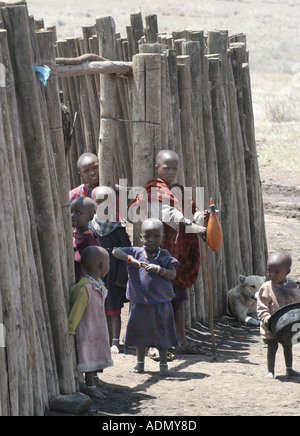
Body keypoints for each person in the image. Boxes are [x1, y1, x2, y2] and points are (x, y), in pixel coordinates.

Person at [129, 150, 208, 355]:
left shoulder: (180, 190)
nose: (171, 171)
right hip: (157, 255)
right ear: (158, 168)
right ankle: (153, 344)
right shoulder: (153, 189)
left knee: (177, 299)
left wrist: (204, 216)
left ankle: (181, 341)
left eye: (175, 168)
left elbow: (191, 211)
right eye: (167, 167)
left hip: (177, 255)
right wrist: (187, 221)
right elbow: (167, 213)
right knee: (156, 300)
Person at [112, 218, 179, 377]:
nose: (152, 240)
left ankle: (163, 364)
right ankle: (140, 363)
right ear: (141, 237)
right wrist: (130, 259)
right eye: (147, 236)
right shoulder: (135, 252)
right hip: (139, 302)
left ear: (162, 238)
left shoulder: (164, 254)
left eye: (156, 236)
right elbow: (115, 251)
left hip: (160, 303)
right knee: (139, 334)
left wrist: (159, 269)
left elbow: (172, 274)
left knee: (161, 333)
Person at [89, 186, 131, 354]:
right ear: (93, 203)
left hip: (113, 273)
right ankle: (102, 339)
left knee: (114, 307)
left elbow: (126, 250)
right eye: (99, 202)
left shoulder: (117, 227)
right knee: (97, 307)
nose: (103, 206)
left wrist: (122, 275)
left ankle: (115, 341)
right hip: (94, 274)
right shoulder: (90, 226)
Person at [68, 246, 113, 398]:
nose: (108, 266)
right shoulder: (84, 288)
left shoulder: (97, 284)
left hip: (96, 327)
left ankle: (92, 383)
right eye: (108, 263)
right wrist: (71, 329)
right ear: (102, 266)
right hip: (87, 329)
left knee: (95, 354)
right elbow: (76, 311)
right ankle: (90, 385)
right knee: (89, 355)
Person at [257, 250, 300, 379]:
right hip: (271, 324)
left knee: (288, 345)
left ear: (287, 271)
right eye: (269, 271)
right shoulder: (266, 287)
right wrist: (266, 317)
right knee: (272, 346)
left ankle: (289, 369)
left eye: (277, 272)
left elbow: (297, 304)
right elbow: (261, 306)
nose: (272, 274)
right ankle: (271, 371)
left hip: (289, 324)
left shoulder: (292, 286)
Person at [71, 197, 99, 282]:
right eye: (71, 212)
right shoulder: (71, 234)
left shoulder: (89, 241)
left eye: (78, 213)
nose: (72, 216)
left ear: (90, 217)